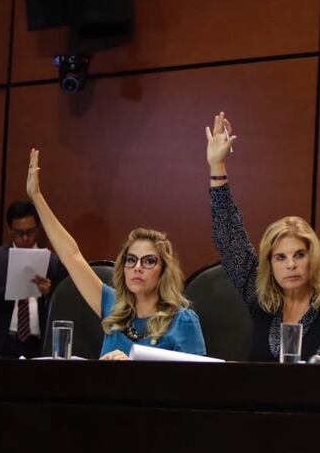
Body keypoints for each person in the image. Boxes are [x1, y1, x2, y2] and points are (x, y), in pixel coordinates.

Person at [206, 112, 320, 362]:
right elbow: (229, 238)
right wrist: (217, 166)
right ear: (270, 265)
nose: (290, 264)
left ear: (312, 260)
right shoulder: (262, 303)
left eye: (299, 255)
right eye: (280, 257)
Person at [26, 149, 205, 359]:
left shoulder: (182, 321)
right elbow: (71, 255)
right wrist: (36, 197)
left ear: (164, 271)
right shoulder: (114, 306)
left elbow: (197, 384)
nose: (137, 267)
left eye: (149, 261)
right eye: (131, 260)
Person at [0, 200, 68, 358]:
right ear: (10, 230)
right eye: (19, 233)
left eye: (31, 232)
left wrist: (48, 295)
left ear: (38, 228)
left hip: (40, 344)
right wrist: (8, 291)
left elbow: (66, 309)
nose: (26, 238)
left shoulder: (53, 262)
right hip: (3, 343)